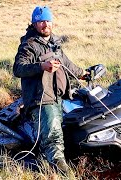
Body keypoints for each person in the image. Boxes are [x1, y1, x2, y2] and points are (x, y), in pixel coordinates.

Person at [13, 6, 88, 174]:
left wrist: (83, 74)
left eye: (47, 20)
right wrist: (41, 66)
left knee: (59, 133)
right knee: (54, 139)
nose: (45, 24)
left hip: (57, 97)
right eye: (40, 22)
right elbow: (18, 68)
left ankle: (46, 162)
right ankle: (63, 174)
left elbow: (67, 64)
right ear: (34, 24)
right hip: (41, 100)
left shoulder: (54, 42)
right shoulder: (29, 45)